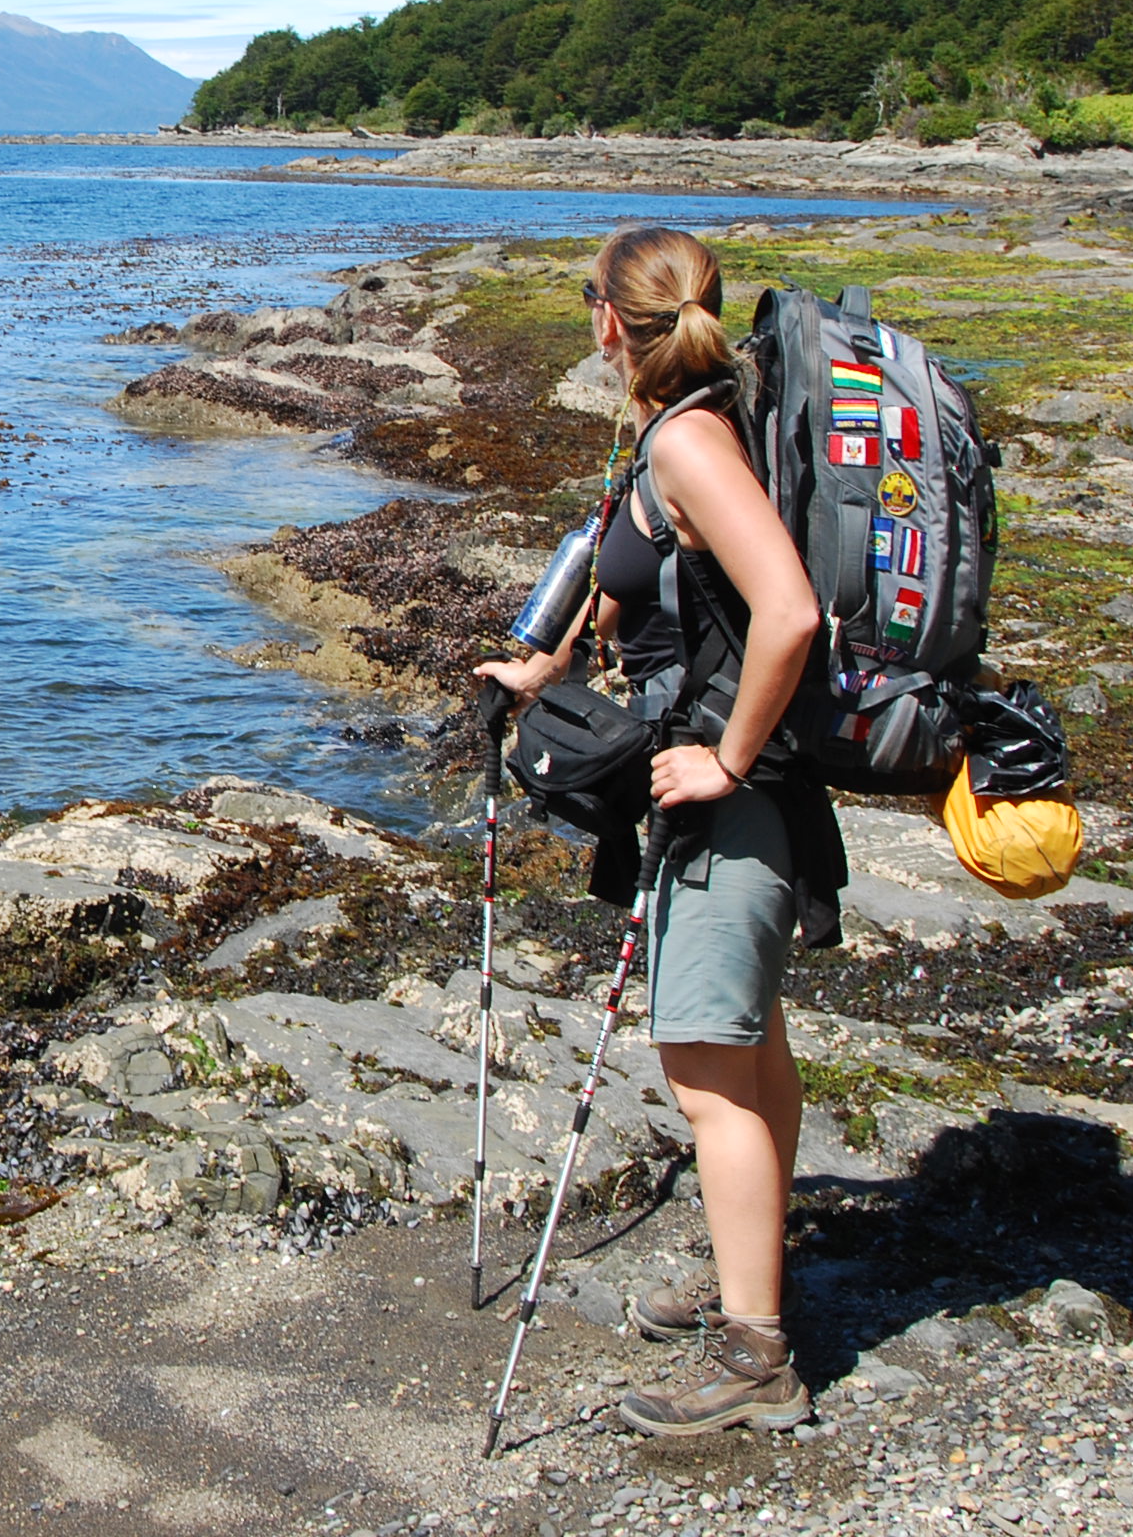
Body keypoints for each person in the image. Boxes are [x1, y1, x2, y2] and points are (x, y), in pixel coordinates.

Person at [475, 224, 840, 1436]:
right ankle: (750, 1287)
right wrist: (547, 668)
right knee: (751, 1050)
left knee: (704, 1078)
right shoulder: (687, 421)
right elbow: (662, 595)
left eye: (589, 297)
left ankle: (757, 1360)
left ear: (606, 318)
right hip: (746, 792)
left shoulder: (687, 440)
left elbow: (788, 610)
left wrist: (724, 757)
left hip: (734, 797)